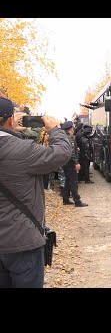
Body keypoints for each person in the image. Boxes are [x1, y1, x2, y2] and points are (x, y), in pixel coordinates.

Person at [0, 97, 71, 288]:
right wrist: (55, 130)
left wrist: (15, 133)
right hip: (21, 241)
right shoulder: (21, 150)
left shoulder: (18, 145)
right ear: (9, 120)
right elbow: (61, 153)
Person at [61, 121, 88, 207]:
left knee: (68, 181)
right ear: (71, 128)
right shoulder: (70, 137)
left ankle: (65, 199)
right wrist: (76, 162)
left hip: (65, 162)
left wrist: (77, 149)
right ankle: (77, 201)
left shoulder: (63, 137)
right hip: (71, 163)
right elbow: (71, 152)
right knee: (73, 181)